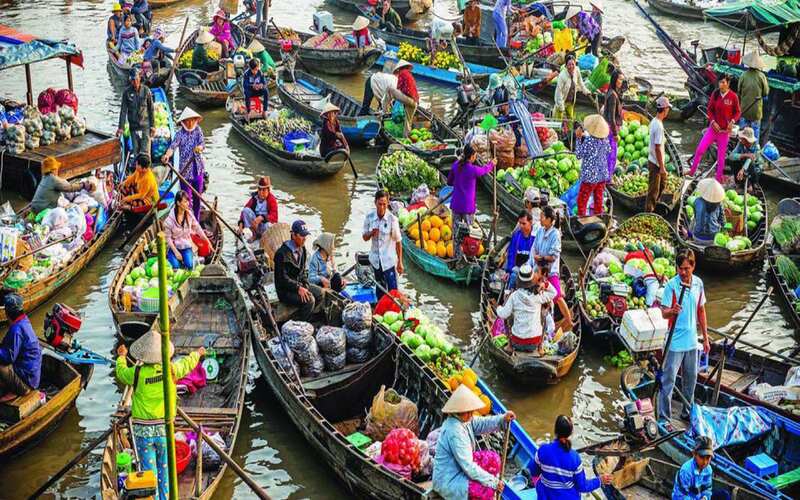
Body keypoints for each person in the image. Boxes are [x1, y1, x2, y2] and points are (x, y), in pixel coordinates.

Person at [115, 330, 204, 500]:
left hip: (143, 433)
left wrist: (121, 357)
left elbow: (121, 373)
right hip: (164, 430)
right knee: (165, 471)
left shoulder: (136, 372)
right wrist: (197, 353)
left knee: (150, 474)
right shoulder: (170, 369)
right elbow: (187, 363)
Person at [432, 384, 515, 499]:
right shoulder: (455, 431)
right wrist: (493, 482)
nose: (471, 415)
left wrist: (502, 419)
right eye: (468, 412)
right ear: (459, 412)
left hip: (459, 468)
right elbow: (468, 466)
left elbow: (482, 423)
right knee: (485, 489)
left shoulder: (465, 420)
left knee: (493, 459)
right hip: (449, 480)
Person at [660, 248, 710, 423]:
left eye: (686, 268)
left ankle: (686, 412)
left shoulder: (698, 284)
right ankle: (664, 417)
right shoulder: (672, 286)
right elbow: (663, 313)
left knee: (691, 380)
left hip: (691, 341)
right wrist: (672, 311)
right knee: (668, 381)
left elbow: (701, 310)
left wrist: (705, 337)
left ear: (693, 267)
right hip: (674, 342)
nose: (682, 272)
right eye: (680, 268)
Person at [528, 415, 612, 498]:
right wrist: (599, 480)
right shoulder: (574, 458)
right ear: (571, 433)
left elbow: (533, 471)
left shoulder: (542, 450)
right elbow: (582, 487)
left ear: (555, 430)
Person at [688, 75, 741, 182]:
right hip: (713, 129)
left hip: (724, 131)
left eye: (723, 82)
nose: (720, 85)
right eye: (719, 82)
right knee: (700, 150)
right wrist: (712, 121)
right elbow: (709, 110)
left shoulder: (733, 97)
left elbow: (738, 112)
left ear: (728, 83)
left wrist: (732, 121)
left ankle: (718, 178)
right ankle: (692, 171)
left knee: (721, 157)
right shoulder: (715, 94)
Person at [448, 144, 495, 260]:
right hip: (468, 207)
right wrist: (492, 164)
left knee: (456, 233)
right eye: (475, 155)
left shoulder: (456, 165)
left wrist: (458, 182)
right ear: (473, 156)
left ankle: (457, 257)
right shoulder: (472, 170)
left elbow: (449, 181)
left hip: (456, 204)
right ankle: (468, 257)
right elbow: (484, 170)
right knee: (470, 234)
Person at [495, 264, 557, 354]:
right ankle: (540, 347)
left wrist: (498, 308)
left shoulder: (514, 296)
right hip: (534, 343)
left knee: (509, 315)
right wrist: (546, 284)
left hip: (516, 342)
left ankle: (510, 346)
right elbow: (554, 292)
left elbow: (503, 314)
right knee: (543, 313)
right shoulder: (538, 296)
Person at [161, 107, 206, 220]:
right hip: (185, 172)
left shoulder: (198, 130)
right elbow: (172, 147)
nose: (190, 123)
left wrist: (199, 148)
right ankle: (188, 222)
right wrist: (167, 155)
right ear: (183, 122)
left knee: (197, 198)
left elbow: (202, 144)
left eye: (192, 120)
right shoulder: (180, 134)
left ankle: (196, 221)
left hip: (198, 169)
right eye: (187, 120)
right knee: (186, 201)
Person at [274, 220, 323, 321]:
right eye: (302, 236)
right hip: (285, 290)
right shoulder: (281, 254)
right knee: (310, 300)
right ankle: (301, 325)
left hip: (299, 284)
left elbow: (303, 271)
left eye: (305, 235)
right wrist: (298, 288)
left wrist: (305, 284)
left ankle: (306, 315)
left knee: (320, 293)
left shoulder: (302, 249)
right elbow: (282, 279)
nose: (304, 239)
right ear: (294, 235)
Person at [362, 190, 403, 300]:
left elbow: (398, 241)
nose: (382, 207)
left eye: (384, 204)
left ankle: (395, 310)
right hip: (375, 261)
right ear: (375, 202)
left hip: (389, 261)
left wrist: (400, 262)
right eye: (379, 204)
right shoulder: (369, 217)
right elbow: (364, 238)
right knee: (380, 289)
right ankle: (380, 309)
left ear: (387, 203)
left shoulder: (392, 220)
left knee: (393, 291)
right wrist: (371, 233)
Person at [0, 294, 41, 400]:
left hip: (27, 381)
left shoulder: (16, 330)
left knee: (1, 367)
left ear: (7, 313)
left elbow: (8, 358)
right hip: (30, 374)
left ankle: (20, 389)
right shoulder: (24, 321)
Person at [164, 191, 213, 270]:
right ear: (178, 203)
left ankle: (192, 259)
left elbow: (198, 228)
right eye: (185, 202)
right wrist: (176, 253)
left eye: (188, 201)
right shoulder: (169, 220)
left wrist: (207, 241)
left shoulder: (189, 214)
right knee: (175, 267)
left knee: (189, 265)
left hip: (186, 245)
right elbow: (168, 238)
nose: (188, 204)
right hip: (174, 247)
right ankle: (175, 259)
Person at [575, 114, 611, 217]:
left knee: (582, 200)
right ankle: (598, 217)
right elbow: (608, 150)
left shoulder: (589, 141)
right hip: (602, 175)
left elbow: (578, 155)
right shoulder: (605, 140)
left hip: (590, 176)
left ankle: (582, 219)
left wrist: (578, 138)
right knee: (598, 199)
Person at [117, 68, 155, 160]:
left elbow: (151, 109)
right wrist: (121, 127)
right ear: (130, 80)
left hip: (145, 125)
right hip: (133, 127)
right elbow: (123, 111)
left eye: (137, 79)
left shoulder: (146, 91)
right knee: (136, 151)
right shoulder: (127, 93)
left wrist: (153, 126)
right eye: (133, 80)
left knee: (145, 152)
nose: (135, 82)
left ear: (140, 78)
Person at [528, 206, 562, 298]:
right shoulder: (540, 231)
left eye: (542, 217)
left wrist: (542, 258)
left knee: (557, 296)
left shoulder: (555, 234)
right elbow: (534, 248)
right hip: (538, 269)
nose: (540, 219)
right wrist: (535, 257)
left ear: (549, 219)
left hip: (550, 271)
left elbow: (553, 257)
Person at [646, 96, 672, 212]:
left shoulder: (654, 122)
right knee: (653, 192)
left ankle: (654, 208)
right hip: (655, 163)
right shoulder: (659, 126)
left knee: (661, 186)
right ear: (665, 109)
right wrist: (661, 167)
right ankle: (648, 213)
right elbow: (657, 148)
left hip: (654, 160)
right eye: (668, 109)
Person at [738, 50, 769, 141]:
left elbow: (739, 91)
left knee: (742, 132)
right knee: (755, 135)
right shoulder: (761, 76)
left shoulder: (743, 75)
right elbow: (765, 93)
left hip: (745, 109)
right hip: (756, 112)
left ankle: (741, 149)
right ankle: (754, 151)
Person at [239, 176, 278, 241]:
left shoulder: (272, 200)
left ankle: (264, 240)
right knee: (246, 210)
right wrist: (240, 225)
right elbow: (244, 211)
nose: (261, 193)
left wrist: (262, 217)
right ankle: (254, 234)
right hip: (255, 226)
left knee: (268, 225)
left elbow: (275, 217)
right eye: (259, 189)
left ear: (268, 190)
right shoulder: (254, 198)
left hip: (264, 227)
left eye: (264, 190)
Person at [554, 54, 590, 121]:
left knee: (570, 120)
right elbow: (558, 92)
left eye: (573, 64)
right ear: (566, 65)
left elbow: (580, 82)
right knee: (558, 122)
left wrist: (585, 90)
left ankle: (570, 131)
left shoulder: (577, 70)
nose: (571, 66)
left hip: (570, 101)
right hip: (562, 101)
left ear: (575, 64)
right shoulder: (562, 76)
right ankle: (558, 130)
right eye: (569, 64)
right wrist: (561, 106)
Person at [505, 211, 537, 287]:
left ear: (531, 222)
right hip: (518, 268)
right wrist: (508, 271)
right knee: (512, 276)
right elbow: (511, 254)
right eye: (520, 223)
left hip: (531, 270)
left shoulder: (536, 236)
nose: (521, 226)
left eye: (524, 223)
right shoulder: (516, 236)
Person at [603, 70, 624, 180]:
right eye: (620, 79)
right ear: (615, 79)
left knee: (609, 153)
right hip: (611, 129)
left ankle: (607, 176)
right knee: (611, 155)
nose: (621, 81)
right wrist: (615, 133)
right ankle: (607, 178)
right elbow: (611, 117)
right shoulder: (612, 96)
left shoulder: (613, 92)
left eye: (622, 79)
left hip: (610, 128)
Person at [691, 178, 726, 242]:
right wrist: (725, 231)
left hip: (697, 237)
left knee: (693, 220)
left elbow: (696, 217)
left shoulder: (697, 201)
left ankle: (689, 234)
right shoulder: (719, 203)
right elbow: (723, 221)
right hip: (714, 238)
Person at [394, 60, 419, 134]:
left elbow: (398, 87)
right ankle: (407, 137)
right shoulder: (409, 74)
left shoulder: (402, 73)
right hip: (415, 102)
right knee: (408, 121)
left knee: (390, 89)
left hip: (409, 100)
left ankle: (384, 110)